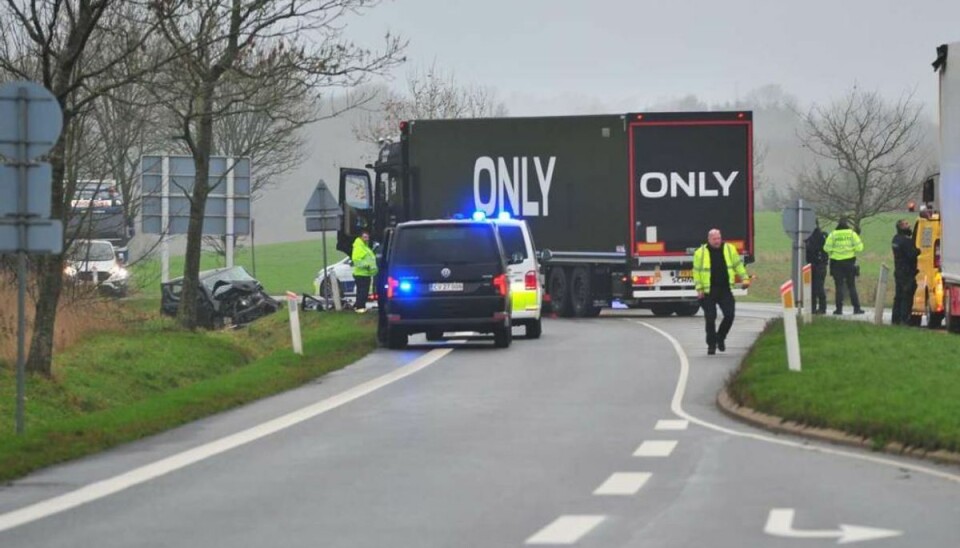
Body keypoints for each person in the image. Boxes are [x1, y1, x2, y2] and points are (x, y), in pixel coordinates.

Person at [693, 228, 750, 355]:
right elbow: (696, 272)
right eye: (714, 239)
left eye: (719, 238)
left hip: (725, 289)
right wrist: (699, 289)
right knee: (710, 318)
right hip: (708, 291)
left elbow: (738, 266)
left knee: (729, 315)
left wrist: (745, 278)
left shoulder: (730, 249)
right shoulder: (700, 253)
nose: (717, 241)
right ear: (709, 239)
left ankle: (721, 337)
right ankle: (711, 344)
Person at [823, 218, 865, 315]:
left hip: (836, 263)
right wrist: (850, 249)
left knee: (839, 286)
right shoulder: (851, 234)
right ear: (847, 224)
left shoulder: (833, 234)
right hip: (849, 262)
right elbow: (860, 248)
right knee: (851, 286)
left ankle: (839, 309)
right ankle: (857, 308)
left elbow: (826, 248)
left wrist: (835, 250)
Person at [891, 219, 919, 325]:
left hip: (898, 271)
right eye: (906, 224)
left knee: (898, 296)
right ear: (901, 227)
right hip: (907, 272)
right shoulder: (906, 241)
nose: (909, 225)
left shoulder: (895, 239)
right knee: (906, 296)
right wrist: (918, 250)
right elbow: (912, 255)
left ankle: (895, 319)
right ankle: (904, 319)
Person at [804, 221, 829, 315]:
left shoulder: (819, 236)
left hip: (819, 265)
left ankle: (821, 308)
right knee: (813, 288)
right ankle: (814, 308)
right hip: (815, 265)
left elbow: (817, 250)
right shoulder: (810, 236)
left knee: (818, 287)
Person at [351, 231, 378, 313]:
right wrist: (367, 265)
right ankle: (360, 307)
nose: (367, 239)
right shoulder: (359, 247)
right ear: (360, 237)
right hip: (361, 273)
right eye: (365, 237)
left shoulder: (364, 246)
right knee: (363, 291)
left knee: (362, 291)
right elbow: (356, 260)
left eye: (367, 237)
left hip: (365, 274)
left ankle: (358, 306)